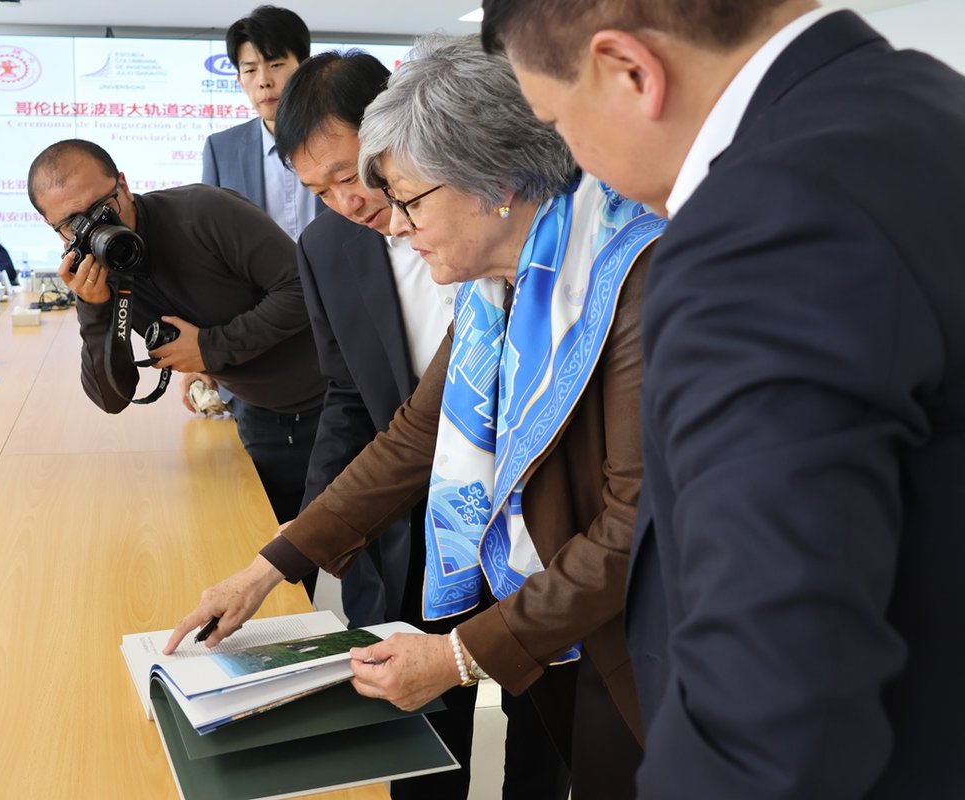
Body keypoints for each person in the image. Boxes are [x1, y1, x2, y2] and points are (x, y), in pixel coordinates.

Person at [481, 1, 965, 797]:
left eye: (557, 122)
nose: (580, 163)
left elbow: (773, 699)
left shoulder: (762, 225)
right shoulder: (926, 105)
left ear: (629, 70)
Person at [166, 35, 664, 800]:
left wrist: (461, 656)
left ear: (492, 179)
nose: (391, 225)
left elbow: (633, 527)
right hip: (562, 614)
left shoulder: (631, 273)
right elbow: (411, 435)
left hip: (640, 640)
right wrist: (271, 566)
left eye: (409, 199)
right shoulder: (496, 285)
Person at [273, 50, 566, 800]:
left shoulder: (564, 263)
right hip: (413, 541)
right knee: (421, 757)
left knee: (545, 738)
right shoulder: (336, 251)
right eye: (320, 189)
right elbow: (379, 416)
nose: (353, 203)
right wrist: (291, 555)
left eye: (354, 175)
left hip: (546, 546)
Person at [27, 139, 325, 526]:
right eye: (73, 225)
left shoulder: (204, 212)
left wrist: (209, 349)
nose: (97, 227)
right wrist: (94, 307)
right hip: (257, 412)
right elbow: (113, 398)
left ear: (124, 185)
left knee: (365, 561)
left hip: (335, 400)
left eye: (103, 208)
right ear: (55, 229)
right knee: (276, 559)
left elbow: (304, 289)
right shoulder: (101, 272)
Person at [201, 5, 319, 241]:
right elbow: (212, 236)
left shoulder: (342, 136)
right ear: (240, 80)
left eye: (275, 65)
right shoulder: (221, 150)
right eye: (251, 70)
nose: (264, 81)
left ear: (305, 68)